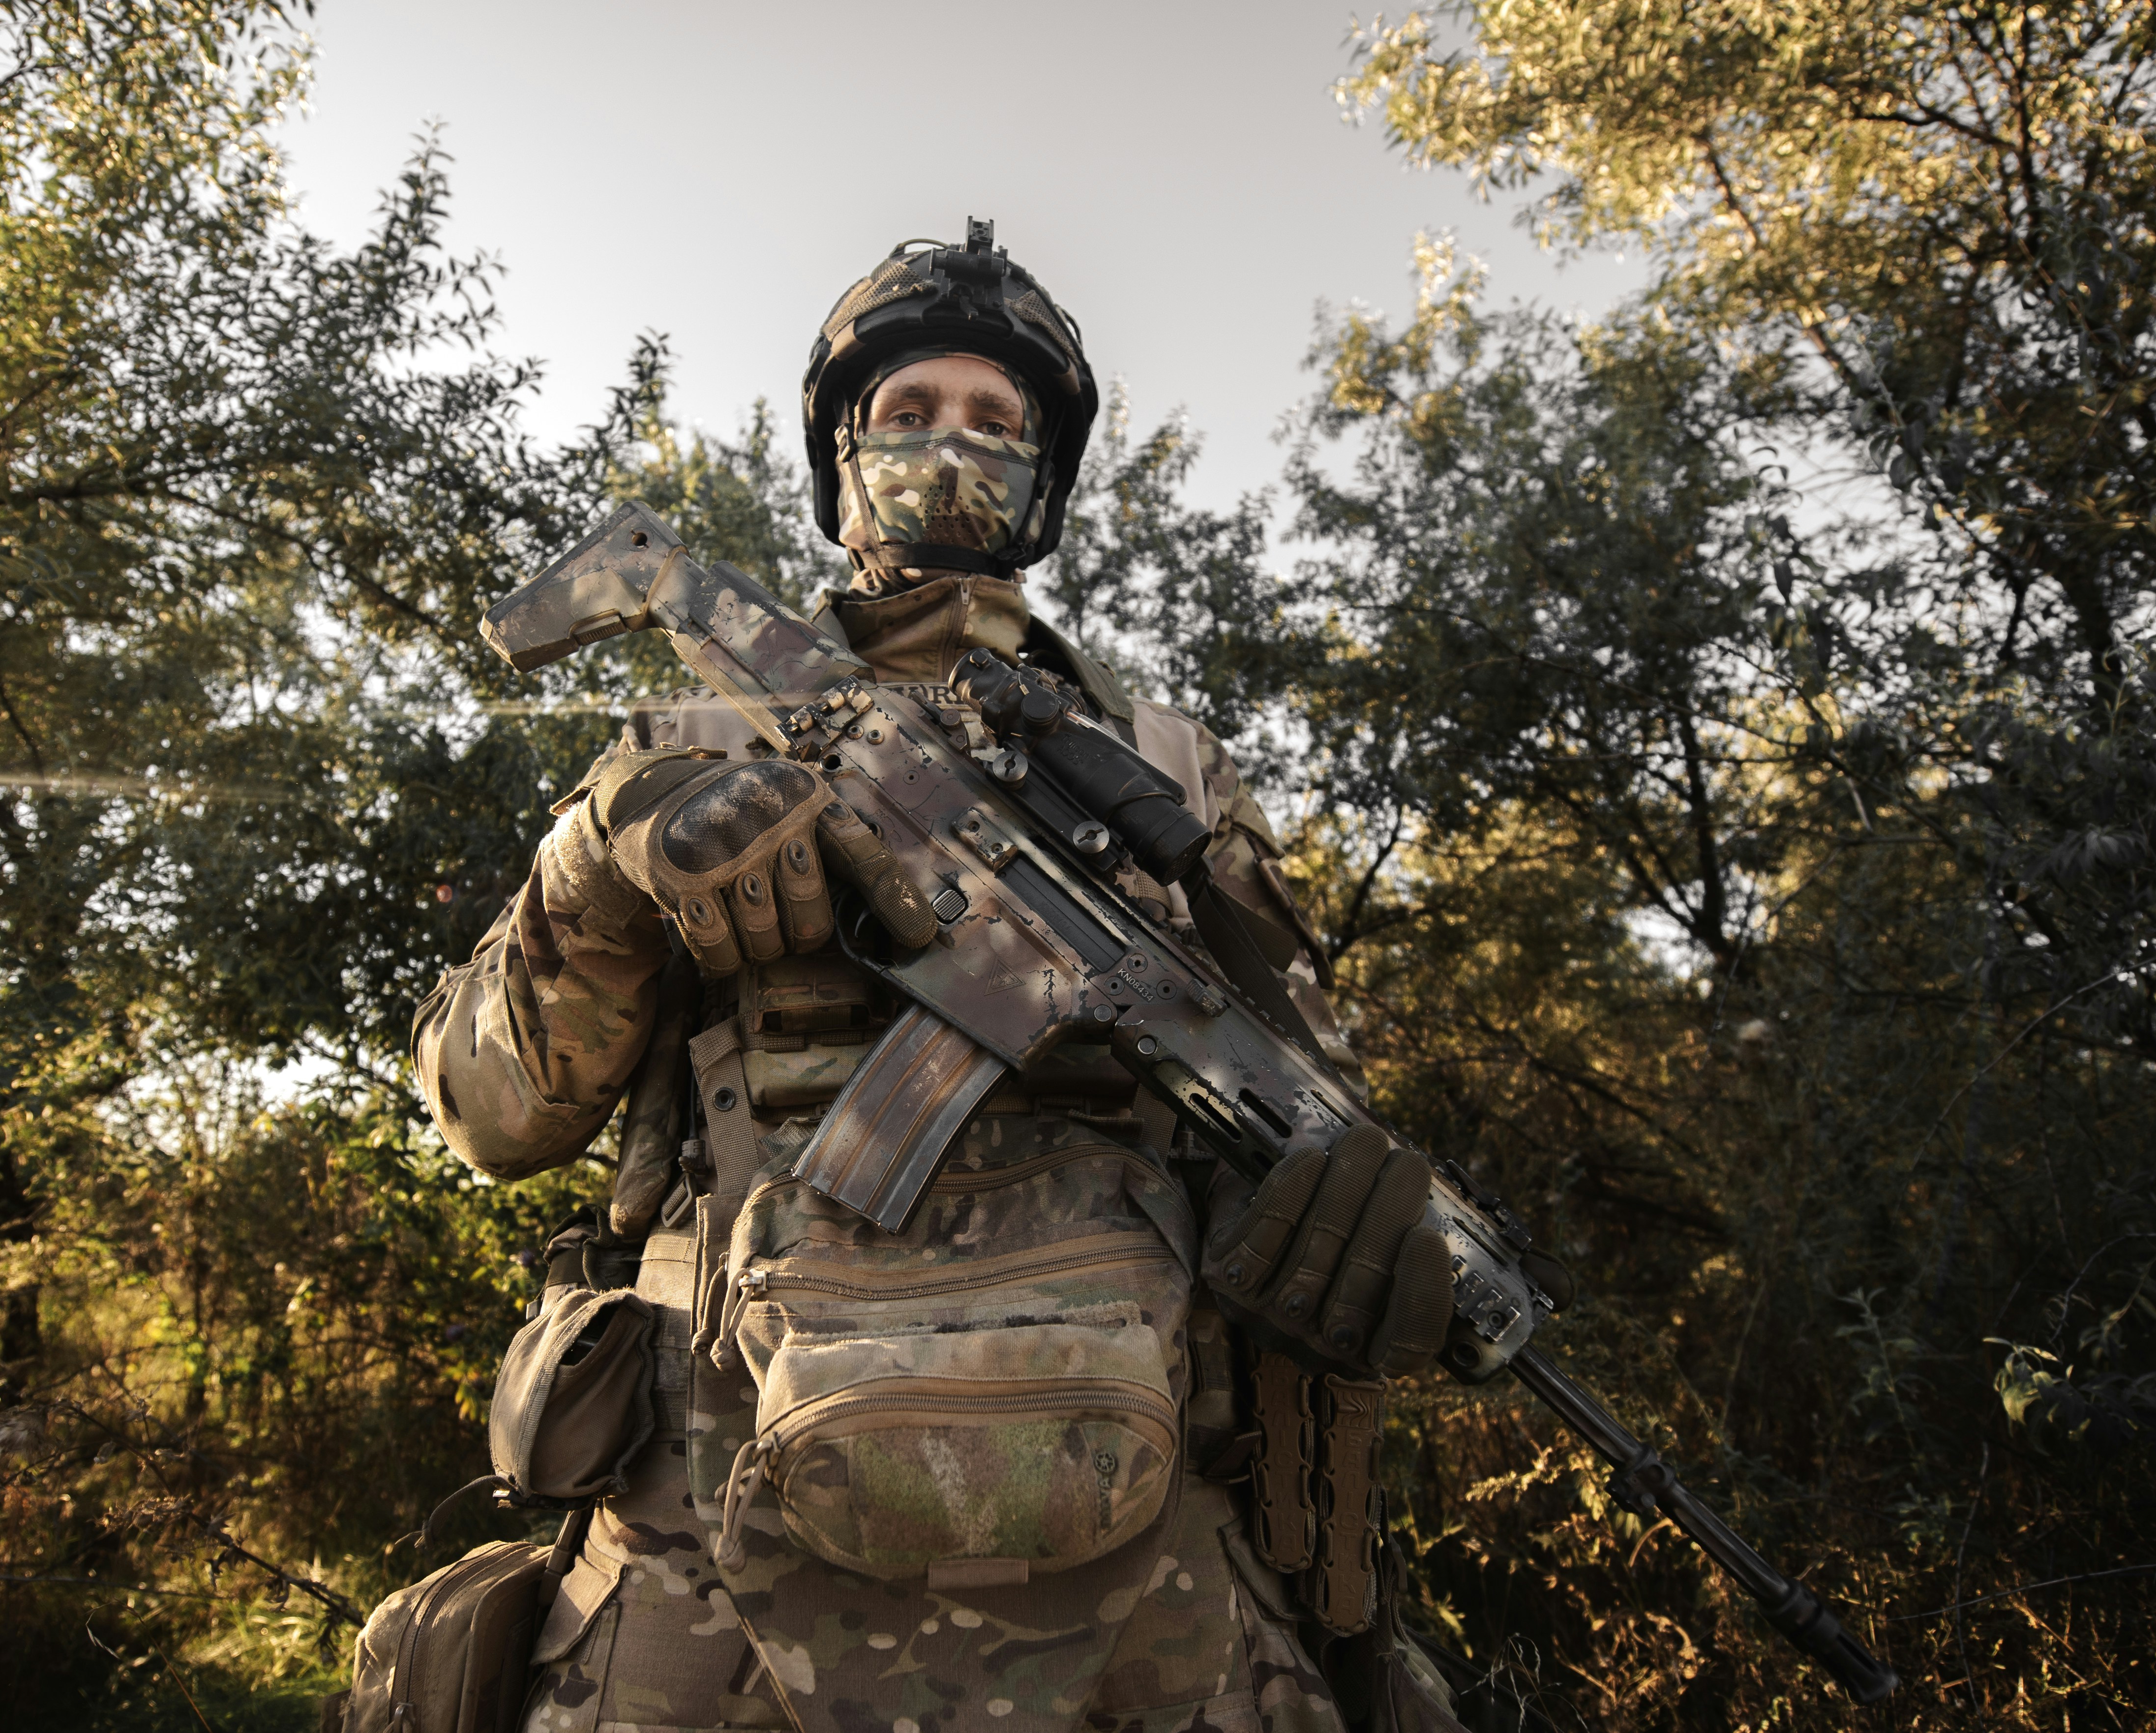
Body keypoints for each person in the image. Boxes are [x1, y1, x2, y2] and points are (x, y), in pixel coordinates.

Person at [412, 221, 1463, 1733]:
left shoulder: (1167, 776)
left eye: (993, 418)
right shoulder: (688, 744)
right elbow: (490, 1113)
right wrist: (602, 855)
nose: (949, 446)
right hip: (702, 1564)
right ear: (842, 465)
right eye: (906, 412)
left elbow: (1307, 1106)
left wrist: (1365, 1240)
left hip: (1136, 1555)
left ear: (1042, 479)